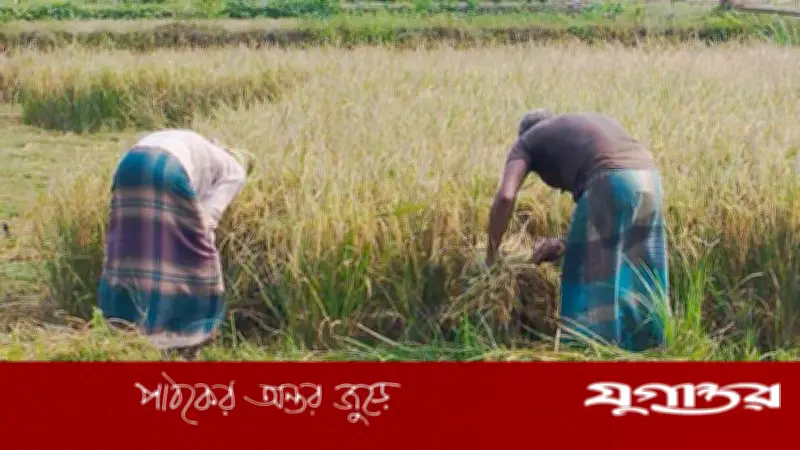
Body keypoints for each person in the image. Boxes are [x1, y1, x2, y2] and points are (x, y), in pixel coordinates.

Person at [486, 109, 670, 352]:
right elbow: (606, 225)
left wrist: (492, 254)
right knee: (638, 267)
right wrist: (566, 242)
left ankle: (584, 350)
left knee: (586, 274)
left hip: (610, 181)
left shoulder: (527, 142)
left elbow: (506, 196)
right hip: (649, 180)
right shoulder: (575, 128)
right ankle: (648, 349)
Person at [98, 129, 251, 359]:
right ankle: (189, 334)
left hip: (128, 165)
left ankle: (124, 325)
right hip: (167, 169)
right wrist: (202, 258)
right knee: (195, 253)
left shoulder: (202, 149)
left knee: (131, 248)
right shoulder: (236, 173)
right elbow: (208, 220)